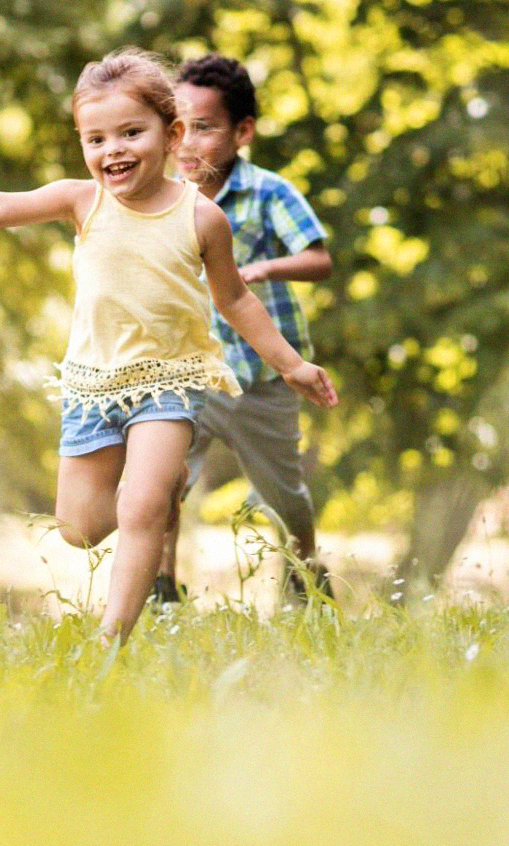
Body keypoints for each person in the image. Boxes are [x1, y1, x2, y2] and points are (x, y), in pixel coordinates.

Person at [0, 47, 339, 643]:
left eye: (131, 133)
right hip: (94, 384)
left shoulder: (202, 217)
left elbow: (235, 299)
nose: (112, 150)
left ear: (173, 133)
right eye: (96, 138)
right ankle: (151, 494)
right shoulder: (82, 200)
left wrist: (290, 365)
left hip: (170, 380)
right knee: (79, 528)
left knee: (141, 510)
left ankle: (110, 637)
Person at [154, 53, 334, 605]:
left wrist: (263, 268)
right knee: (163, 482)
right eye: (179, 128)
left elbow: (318, 258)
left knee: (285, 494)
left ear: (243, 131)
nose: (187, 144)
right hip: (187, 373)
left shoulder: (268, 192)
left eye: (205, 129)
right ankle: (162, 588)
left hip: (260, 376)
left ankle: (307, 579)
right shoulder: (161, 198)